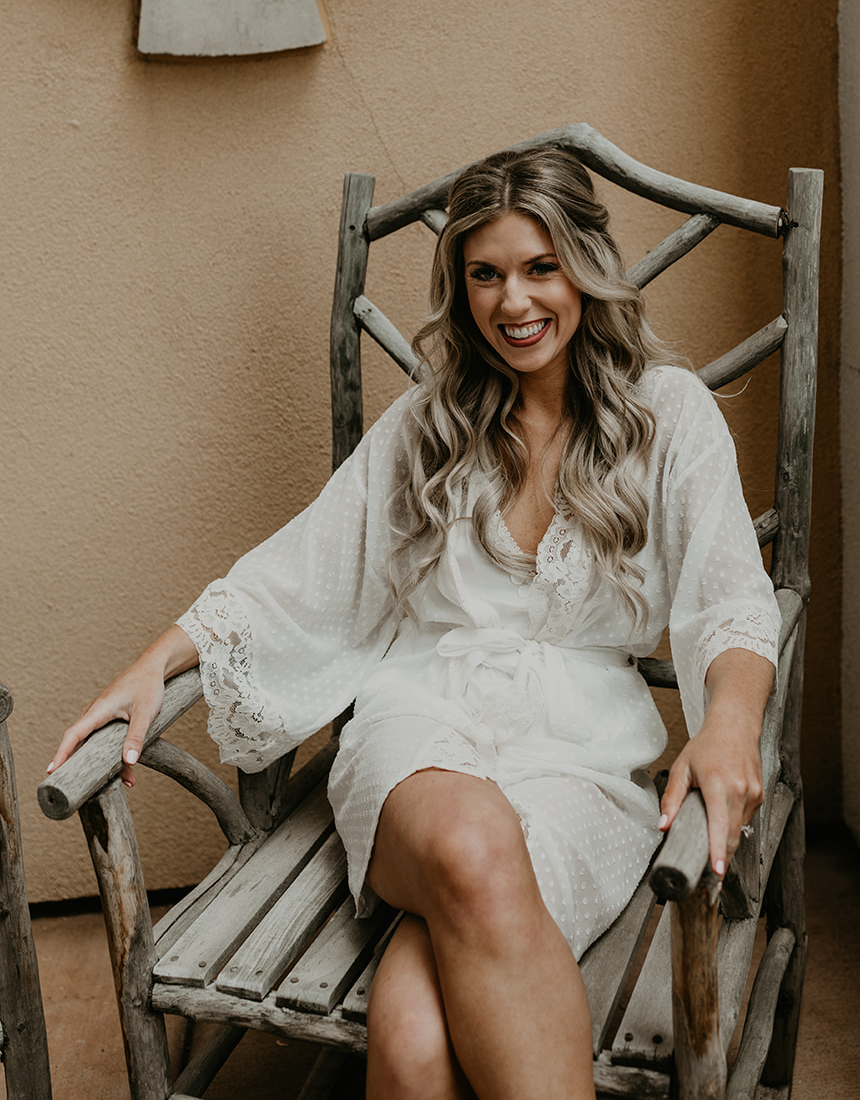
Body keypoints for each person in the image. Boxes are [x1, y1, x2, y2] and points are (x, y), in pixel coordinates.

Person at [49, 145, 779, 1100]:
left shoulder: (666, 415)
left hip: (583, 766)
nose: (512, 302)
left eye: (538, 267)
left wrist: (726, 723)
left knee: (416, 1032)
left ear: (587, 269)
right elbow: (304, 571)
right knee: (472, 848)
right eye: (484, 275)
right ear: (461, 287)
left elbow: (730, 599)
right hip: (419, 731)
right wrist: (159, 658)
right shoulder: (432, 423)